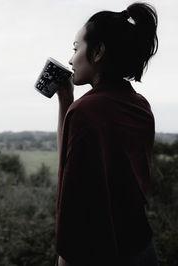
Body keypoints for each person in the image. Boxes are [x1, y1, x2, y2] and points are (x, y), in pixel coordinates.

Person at [55, 2, 159, 266]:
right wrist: (66, 99)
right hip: (141, 246)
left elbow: (75, 195)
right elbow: (73, 158)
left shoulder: (86, 111)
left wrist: (66, 257)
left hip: (102, 253)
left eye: (76, 48)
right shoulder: (139, 105)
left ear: (99, 50)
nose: (70, 59)